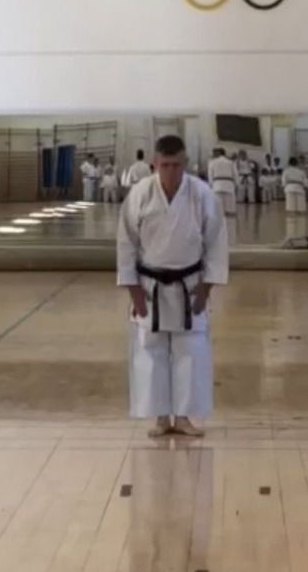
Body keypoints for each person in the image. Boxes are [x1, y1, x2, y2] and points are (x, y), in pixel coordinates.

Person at [118, 135, 228, 438]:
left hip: (190, 284)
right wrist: (134, 291)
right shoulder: (140, 194)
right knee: (150, 351)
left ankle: (183, 417)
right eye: (165, 165)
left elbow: (216, 243)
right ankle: (160, 417)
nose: (171, 171)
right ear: (155, 164)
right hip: (149, 285)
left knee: (190, 350)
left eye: (177, 165)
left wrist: (206, 288)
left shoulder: (202, 194)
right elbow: (126, 244)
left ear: (187, 164)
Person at [207, 148, 238, 216]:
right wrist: (236, 184)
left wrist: (211, 185)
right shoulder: (230, 162)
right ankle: (230, 217)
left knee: (217, 206)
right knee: (230, 207)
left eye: (215, 153)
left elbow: (210, 174)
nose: (213, 154)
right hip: (229, 184)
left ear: (219, 153)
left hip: (217, 184)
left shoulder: (212, 162)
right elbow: (235, 174)